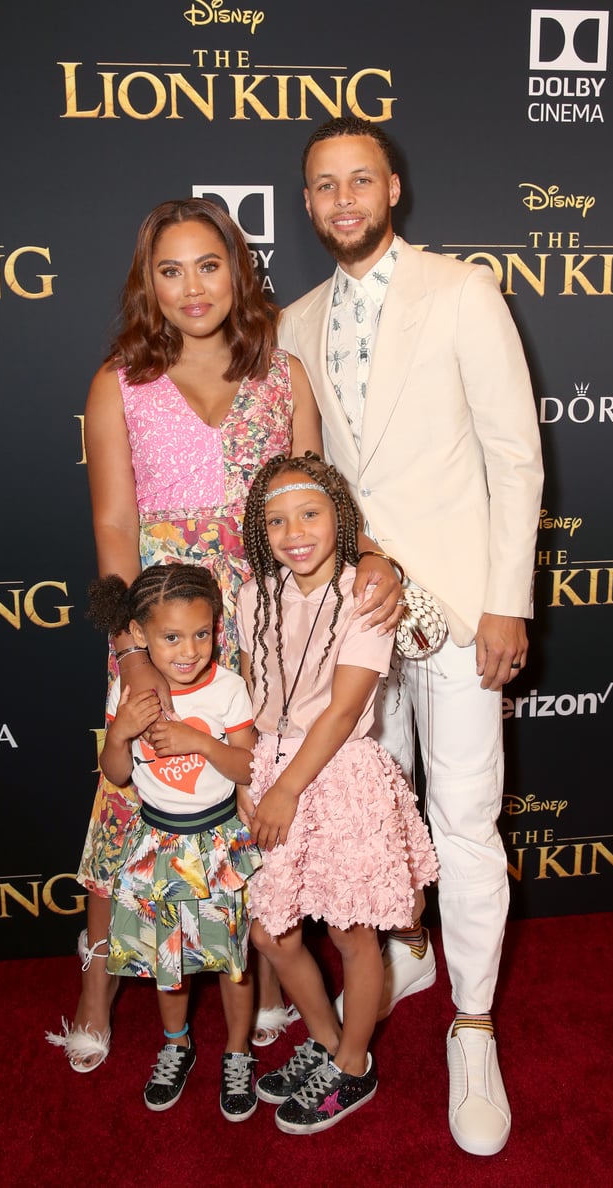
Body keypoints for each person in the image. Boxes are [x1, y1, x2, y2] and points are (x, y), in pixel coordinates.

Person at [47, 197, 400, 1071]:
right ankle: (97, 983)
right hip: (162, 625)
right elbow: (116, 534)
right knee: (130, 798)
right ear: (148, 284)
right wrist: (132, 656)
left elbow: (320, 502)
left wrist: (376, 559)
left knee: (252, 791)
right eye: (170, 270)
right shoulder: (117, 381)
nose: (192, 287)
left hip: (265, 622)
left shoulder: (283, 374)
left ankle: (266, 981)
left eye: (209, 265)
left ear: (238, 270)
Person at [278, 118, 544, 1155]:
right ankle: (407, 950)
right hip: (362, 617)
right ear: (307, 205)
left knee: (467, 818)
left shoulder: (462, 291)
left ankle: (471, 1030)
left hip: (463, 603)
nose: (342, 199)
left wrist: (506, 600)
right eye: (322, 186)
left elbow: (513, 458)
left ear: (393, 187)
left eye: (359, 180)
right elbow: (314, 486)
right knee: (371, 817)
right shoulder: (296, 324)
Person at [235, 453, 439, 1134]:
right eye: (276, 520)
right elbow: (250, 696)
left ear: (341, 519)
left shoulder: (365, 595)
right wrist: (252, 776)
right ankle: (327, 1042)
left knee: (353, 934)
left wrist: (288, 787)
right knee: (271, 931)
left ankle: (354, 1065)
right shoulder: (251, 595)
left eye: (310, 513)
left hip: (337, 776)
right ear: (260, 532)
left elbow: (344, 711)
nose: (294, 531)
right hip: (275, 775)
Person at [87, 563, 261, 1120]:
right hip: (158, 847)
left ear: (217, 628)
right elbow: (115, 772)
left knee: (233, 961)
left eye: (202, 633)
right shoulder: (128, 688)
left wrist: (195, 739)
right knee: (172, 963)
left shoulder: (229, 687)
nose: (189, 650)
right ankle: (177, 1043)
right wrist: (120, 733)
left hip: (220, 845)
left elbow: (248, 765)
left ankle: (236, 1052)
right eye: (170, 637)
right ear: (139, 636)